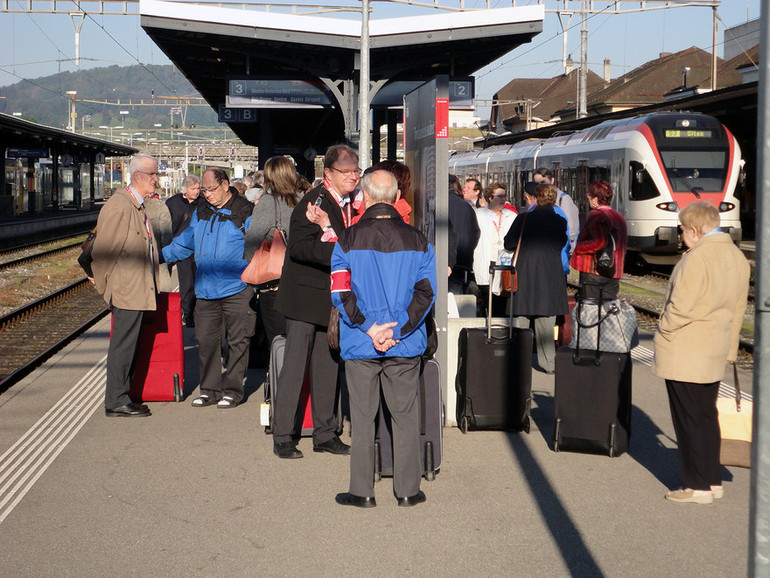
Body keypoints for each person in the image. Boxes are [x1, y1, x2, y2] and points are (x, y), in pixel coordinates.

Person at [331, 170, 437, 508]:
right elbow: (426, 294)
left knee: (362, 419)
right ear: (394, 197)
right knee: (405, 416)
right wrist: (397, 329)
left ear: (365, 195)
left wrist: (368, 328)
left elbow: (340, 291)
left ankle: (362, 491)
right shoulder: (420, 241)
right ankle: (407, 490)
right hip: (404, 343)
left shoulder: (346, 239)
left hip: (361, 342)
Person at [652, 202, 750, 505]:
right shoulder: (737, 257)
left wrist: (663, 329)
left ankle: (696, 486)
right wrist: (730, 349)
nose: (681, 235)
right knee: (706, 417)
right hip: (714, 349)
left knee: (688, 420)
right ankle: (712, 479)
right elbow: (738, 309)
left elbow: (680, 306)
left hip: (685, 350)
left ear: (695, 230)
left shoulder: (697, 259)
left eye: (682, 229)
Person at [271, 144, 360, 459]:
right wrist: (342, 254)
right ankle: (283, 435)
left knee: (327, 367)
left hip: (327, 300)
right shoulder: (314, 203)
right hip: (304, 298)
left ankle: (325, 433)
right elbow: (300, 248)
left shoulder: (345, 203)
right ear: (329, 175)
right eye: (346, 171)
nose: (353, 176)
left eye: (355, 170)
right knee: (295, 368)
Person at [162, 167, 256, 409]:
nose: (207, 194)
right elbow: (185, 243)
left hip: (237, 288)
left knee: (238, 342)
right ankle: (210, 390)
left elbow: (260, 245)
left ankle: (233, 391)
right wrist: (157, 255)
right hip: (204, 290)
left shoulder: (245, 211)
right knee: (205, 341)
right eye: (203, 190)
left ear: (225, 185)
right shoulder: (200, 211)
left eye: (211, 189)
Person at [91, 154, 161, 418]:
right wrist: (105, 287)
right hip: (127, 290)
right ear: (138, 176)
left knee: (130, 346)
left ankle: (123, 395)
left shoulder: (137, 206)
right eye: (153, 174)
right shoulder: (120, 206)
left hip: (137, 289)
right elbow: (104, 250)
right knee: (122, 347)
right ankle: (116, 401)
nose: (157, 179)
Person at [504, 183, 568, 374]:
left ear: (536, 198)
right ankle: (549, 364)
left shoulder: (524, 219)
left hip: (525, 275)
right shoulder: (560, 222)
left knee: (520, 325)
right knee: (546, 327)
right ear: (553, 199)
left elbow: (509, 243)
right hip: (549, 278)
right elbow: (561, 243)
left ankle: (519, 363)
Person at [243, 156, 302, 345]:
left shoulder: (268, 203)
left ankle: (278, 374)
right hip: (301, 282)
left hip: (274, 283)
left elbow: (252, 241)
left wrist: (254, 265)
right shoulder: (303, 201)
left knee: (278, 341)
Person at [570, 181, 628, 300]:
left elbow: (599, 242)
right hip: (614, 271)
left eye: (589, 196)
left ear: (596, 199)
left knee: (591, 309)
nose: (588, 199)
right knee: (607, 308)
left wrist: (579, 247)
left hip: (594, 270)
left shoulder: (597, 216)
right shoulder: (619, 217)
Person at [472, 182, 517, 317]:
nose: (503, 199)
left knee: (502, 298)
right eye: (499, 196)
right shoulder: (479, 215)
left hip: (505, 263)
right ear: (490, 198)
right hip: (487, 261)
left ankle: (500, 327)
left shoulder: (511, 216)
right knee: (488, 297)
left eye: (504, 196)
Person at [166, 175, 201, 326]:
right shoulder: (172, 203)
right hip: (181, 249)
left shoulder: (204, 203)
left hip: (200, 247)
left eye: (198, 188)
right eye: (193, 188)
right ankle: (188, 315)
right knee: (186, 283)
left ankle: (197, 312)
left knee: (199, 281)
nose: (197, 191)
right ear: (185, 189)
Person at [448, 174, 480, 295]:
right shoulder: (466, 206)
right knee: (455, 299)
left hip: (441, 262)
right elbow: (476, 233)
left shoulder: (436, 205)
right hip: (462, 262)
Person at [534, 168, 579, 251]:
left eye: (543, 182)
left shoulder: (563, 199)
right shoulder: (536, 201)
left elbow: (572, 230)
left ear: (552, 180)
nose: (540, 186)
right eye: (537, 183)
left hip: (561, 250)